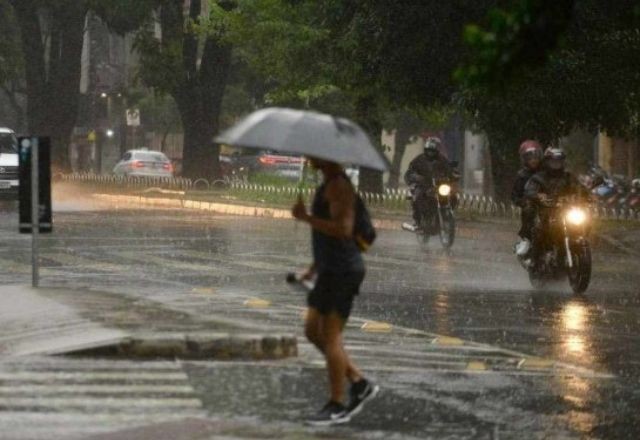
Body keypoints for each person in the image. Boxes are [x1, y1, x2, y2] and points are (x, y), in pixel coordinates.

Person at [292, 157, 379, 426]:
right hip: (330, 268)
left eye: (314, 154)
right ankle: (358, 381)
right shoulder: (328, 184)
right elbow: (327, 236)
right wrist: (314, 267)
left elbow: (343, 230)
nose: (309, 158)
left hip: (343, 270)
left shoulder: (339, 186)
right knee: (311, 330)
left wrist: (306, 217)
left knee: (330, 336)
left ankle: (337, 404)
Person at [524, 147, 587, 264]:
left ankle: (573, 254)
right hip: (547, 213)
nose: (556, 164)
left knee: (582, 224)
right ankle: (534, 260)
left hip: (566, 211)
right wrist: (539, 196)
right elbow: (529, 190)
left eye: (559, 161)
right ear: (547, 162)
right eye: (553, 161)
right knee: (539, 230)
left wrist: (588, 195)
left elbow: (580, 188)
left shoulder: (568, 177)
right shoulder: (538, 178)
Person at [402, 137, 454, 231]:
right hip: (424, 186)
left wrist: (453, 175)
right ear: (425, 150)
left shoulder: (442, 159)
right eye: (429, 150)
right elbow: (409, 172)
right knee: (418, 197)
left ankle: (447, 216)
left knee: (453, 196)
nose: (431, 153)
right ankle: (417, 222)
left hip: (438, 186)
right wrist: (416, 177)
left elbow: (450, 170)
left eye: (433, 151)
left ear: (437, 151)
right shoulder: (419, 160)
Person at [512, 140, 543, 259]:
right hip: (534, 208)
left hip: (551, 206)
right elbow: (515, 196)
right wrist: (524, 202)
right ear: (525, 159)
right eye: (530, 158)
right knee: (529, 215)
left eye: (535, 157)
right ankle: (526, 239)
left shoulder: (548, 173)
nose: (533, 160)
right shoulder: (522, 176)